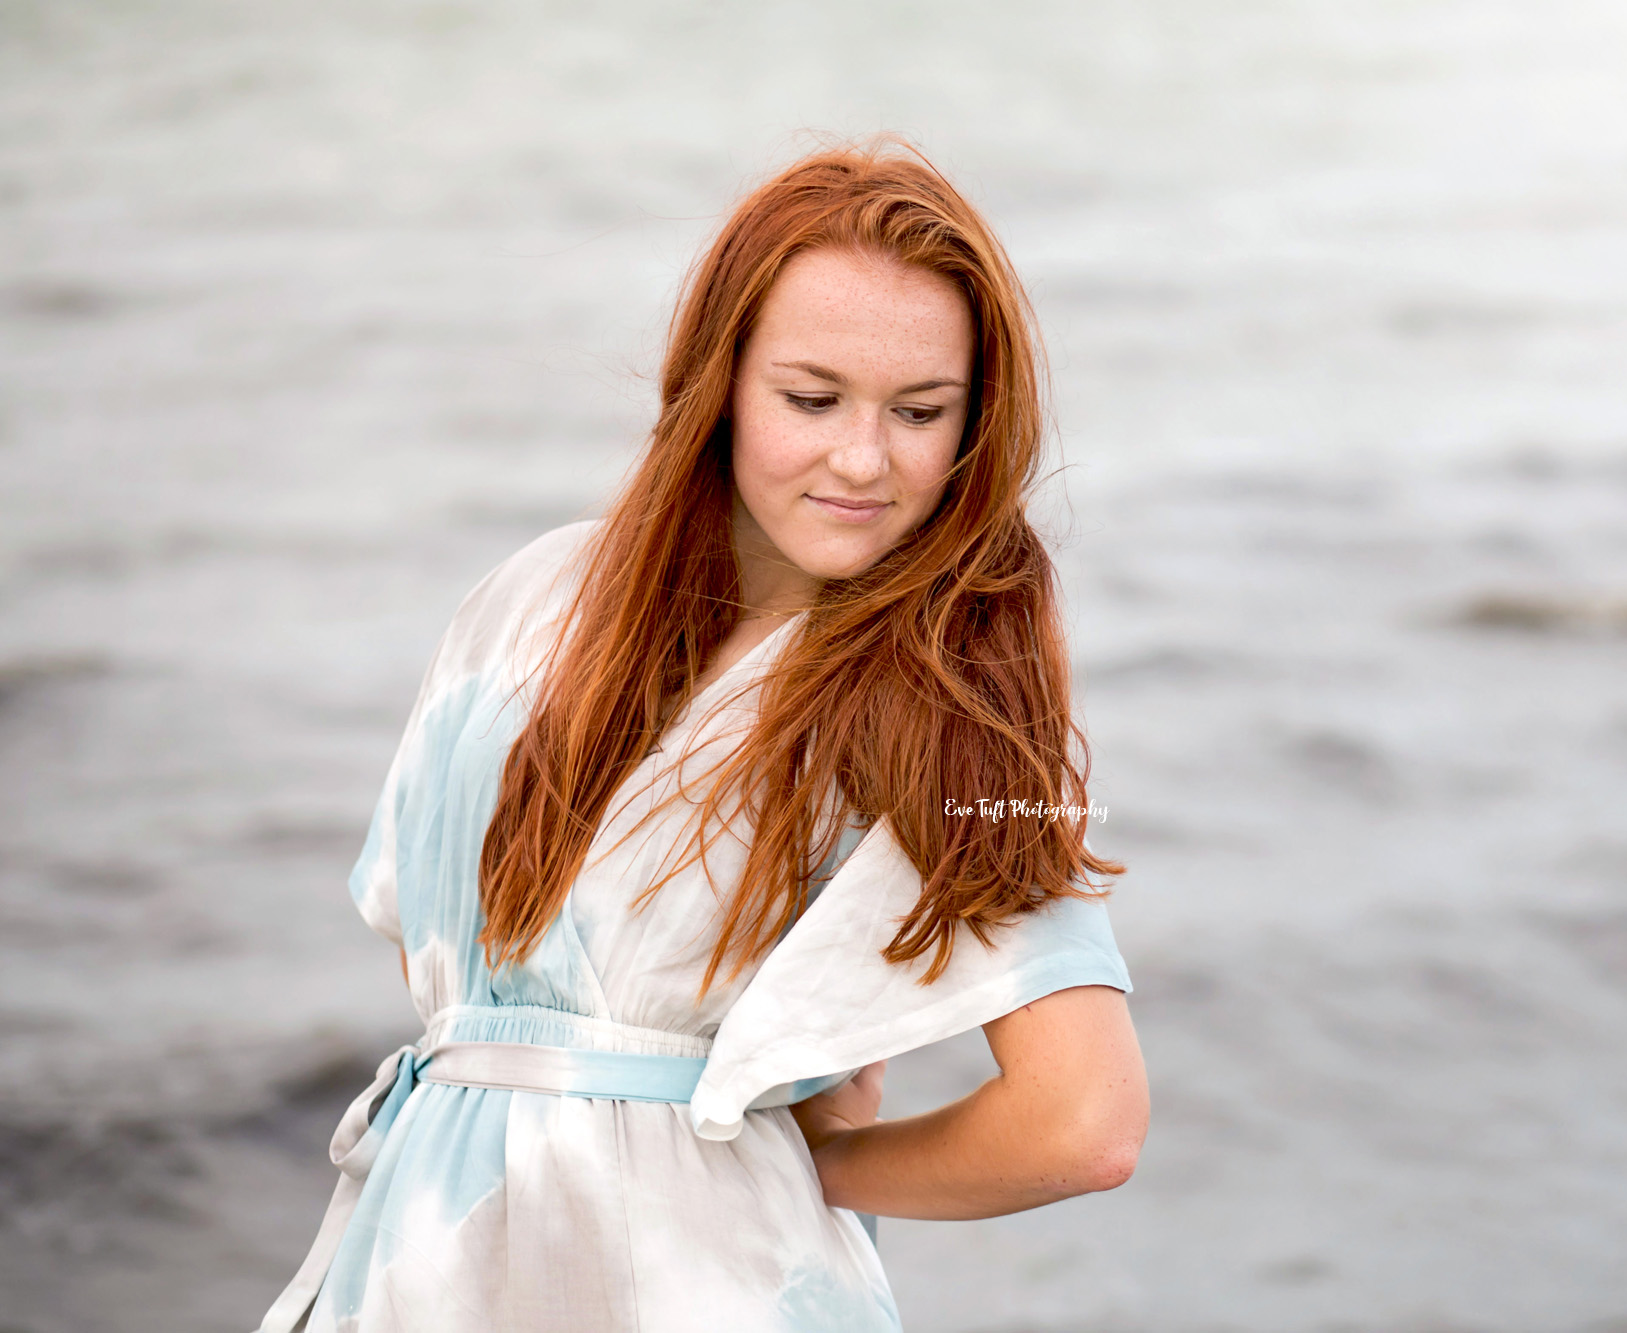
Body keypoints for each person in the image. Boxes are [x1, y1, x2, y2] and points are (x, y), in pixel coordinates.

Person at [257, 141, 1149, 1333]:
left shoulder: (953, 696)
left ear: (975, 425)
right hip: (446, 1258)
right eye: (811, 398)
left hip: (611, 1265)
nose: (862, 458)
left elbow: (1082, 1121)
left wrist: (804, 1165)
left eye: (920, 411)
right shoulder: (537, 601)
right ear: (717, 381)